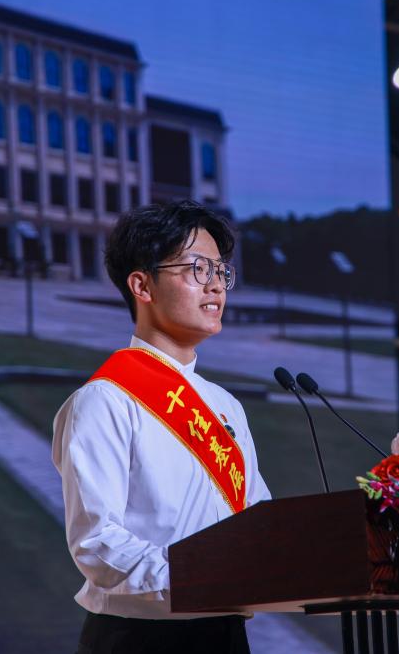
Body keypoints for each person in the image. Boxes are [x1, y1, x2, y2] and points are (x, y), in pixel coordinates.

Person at [52, 200, 271, 654]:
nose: (216, 284)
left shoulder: (226, 406)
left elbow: (259, 520)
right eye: (197, 269)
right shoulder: (106, 400)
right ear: (142, 285)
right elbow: (97, 542)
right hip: (137, 637)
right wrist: (199, 578)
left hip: (226, 632)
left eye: (221, 271)